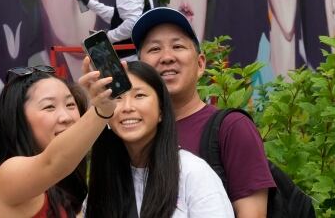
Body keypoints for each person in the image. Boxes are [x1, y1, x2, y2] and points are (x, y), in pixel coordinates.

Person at [132, 7, 275, 217]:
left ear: (200, 64)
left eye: (178, 46)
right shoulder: (131, 131)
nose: (167, 57)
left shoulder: (231, 129)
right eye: (154, 49)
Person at [86, 61, 234, 217]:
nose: (127, 107)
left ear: (161, 110)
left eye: (139, 95)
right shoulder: (105, 178)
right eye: (117, 97)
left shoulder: (192, 172)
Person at [0, 61, 116, 217]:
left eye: (70, 105)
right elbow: (53, 162)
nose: (66, 117)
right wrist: (103, 110)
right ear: (18, 119)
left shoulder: (64, 185)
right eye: (49, 107)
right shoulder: (7, 176)